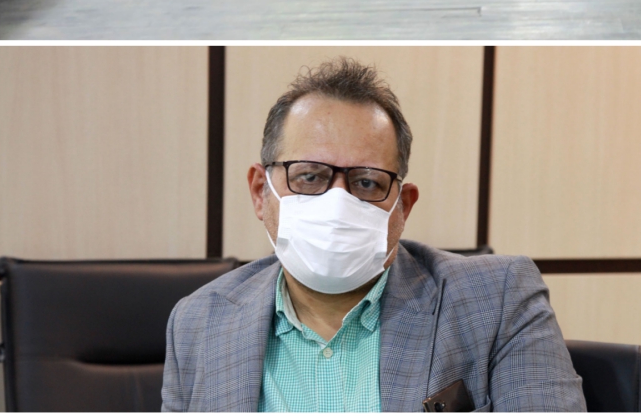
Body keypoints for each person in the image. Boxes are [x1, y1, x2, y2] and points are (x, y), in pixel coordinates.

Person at [162, 57, 584, 413]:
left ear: (403, 207)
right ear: (260, 193)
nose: (337, 202)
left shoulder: (498, 299)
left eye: (366, 182)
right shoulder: (197, 323)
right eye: (309, 176)